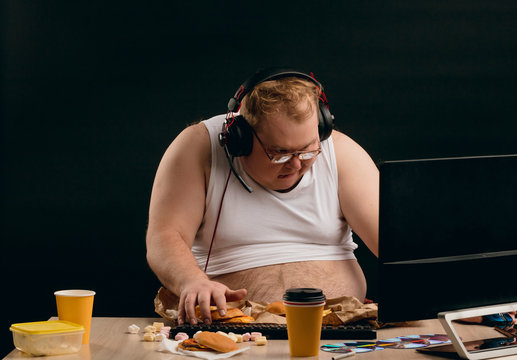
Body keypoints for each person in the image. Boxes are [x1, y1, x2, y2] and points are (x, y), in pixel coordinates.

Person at [146, 68, 379, 326]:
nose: (296, 164)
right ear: (240, 138)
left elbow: (395, 245)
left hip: (339, 328)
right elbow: (164, 237)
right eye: (279, 153)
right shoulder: (199, 148)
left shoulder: (342, 152)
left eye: (307, 150)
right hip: (232, 331)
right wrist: (192, 281)